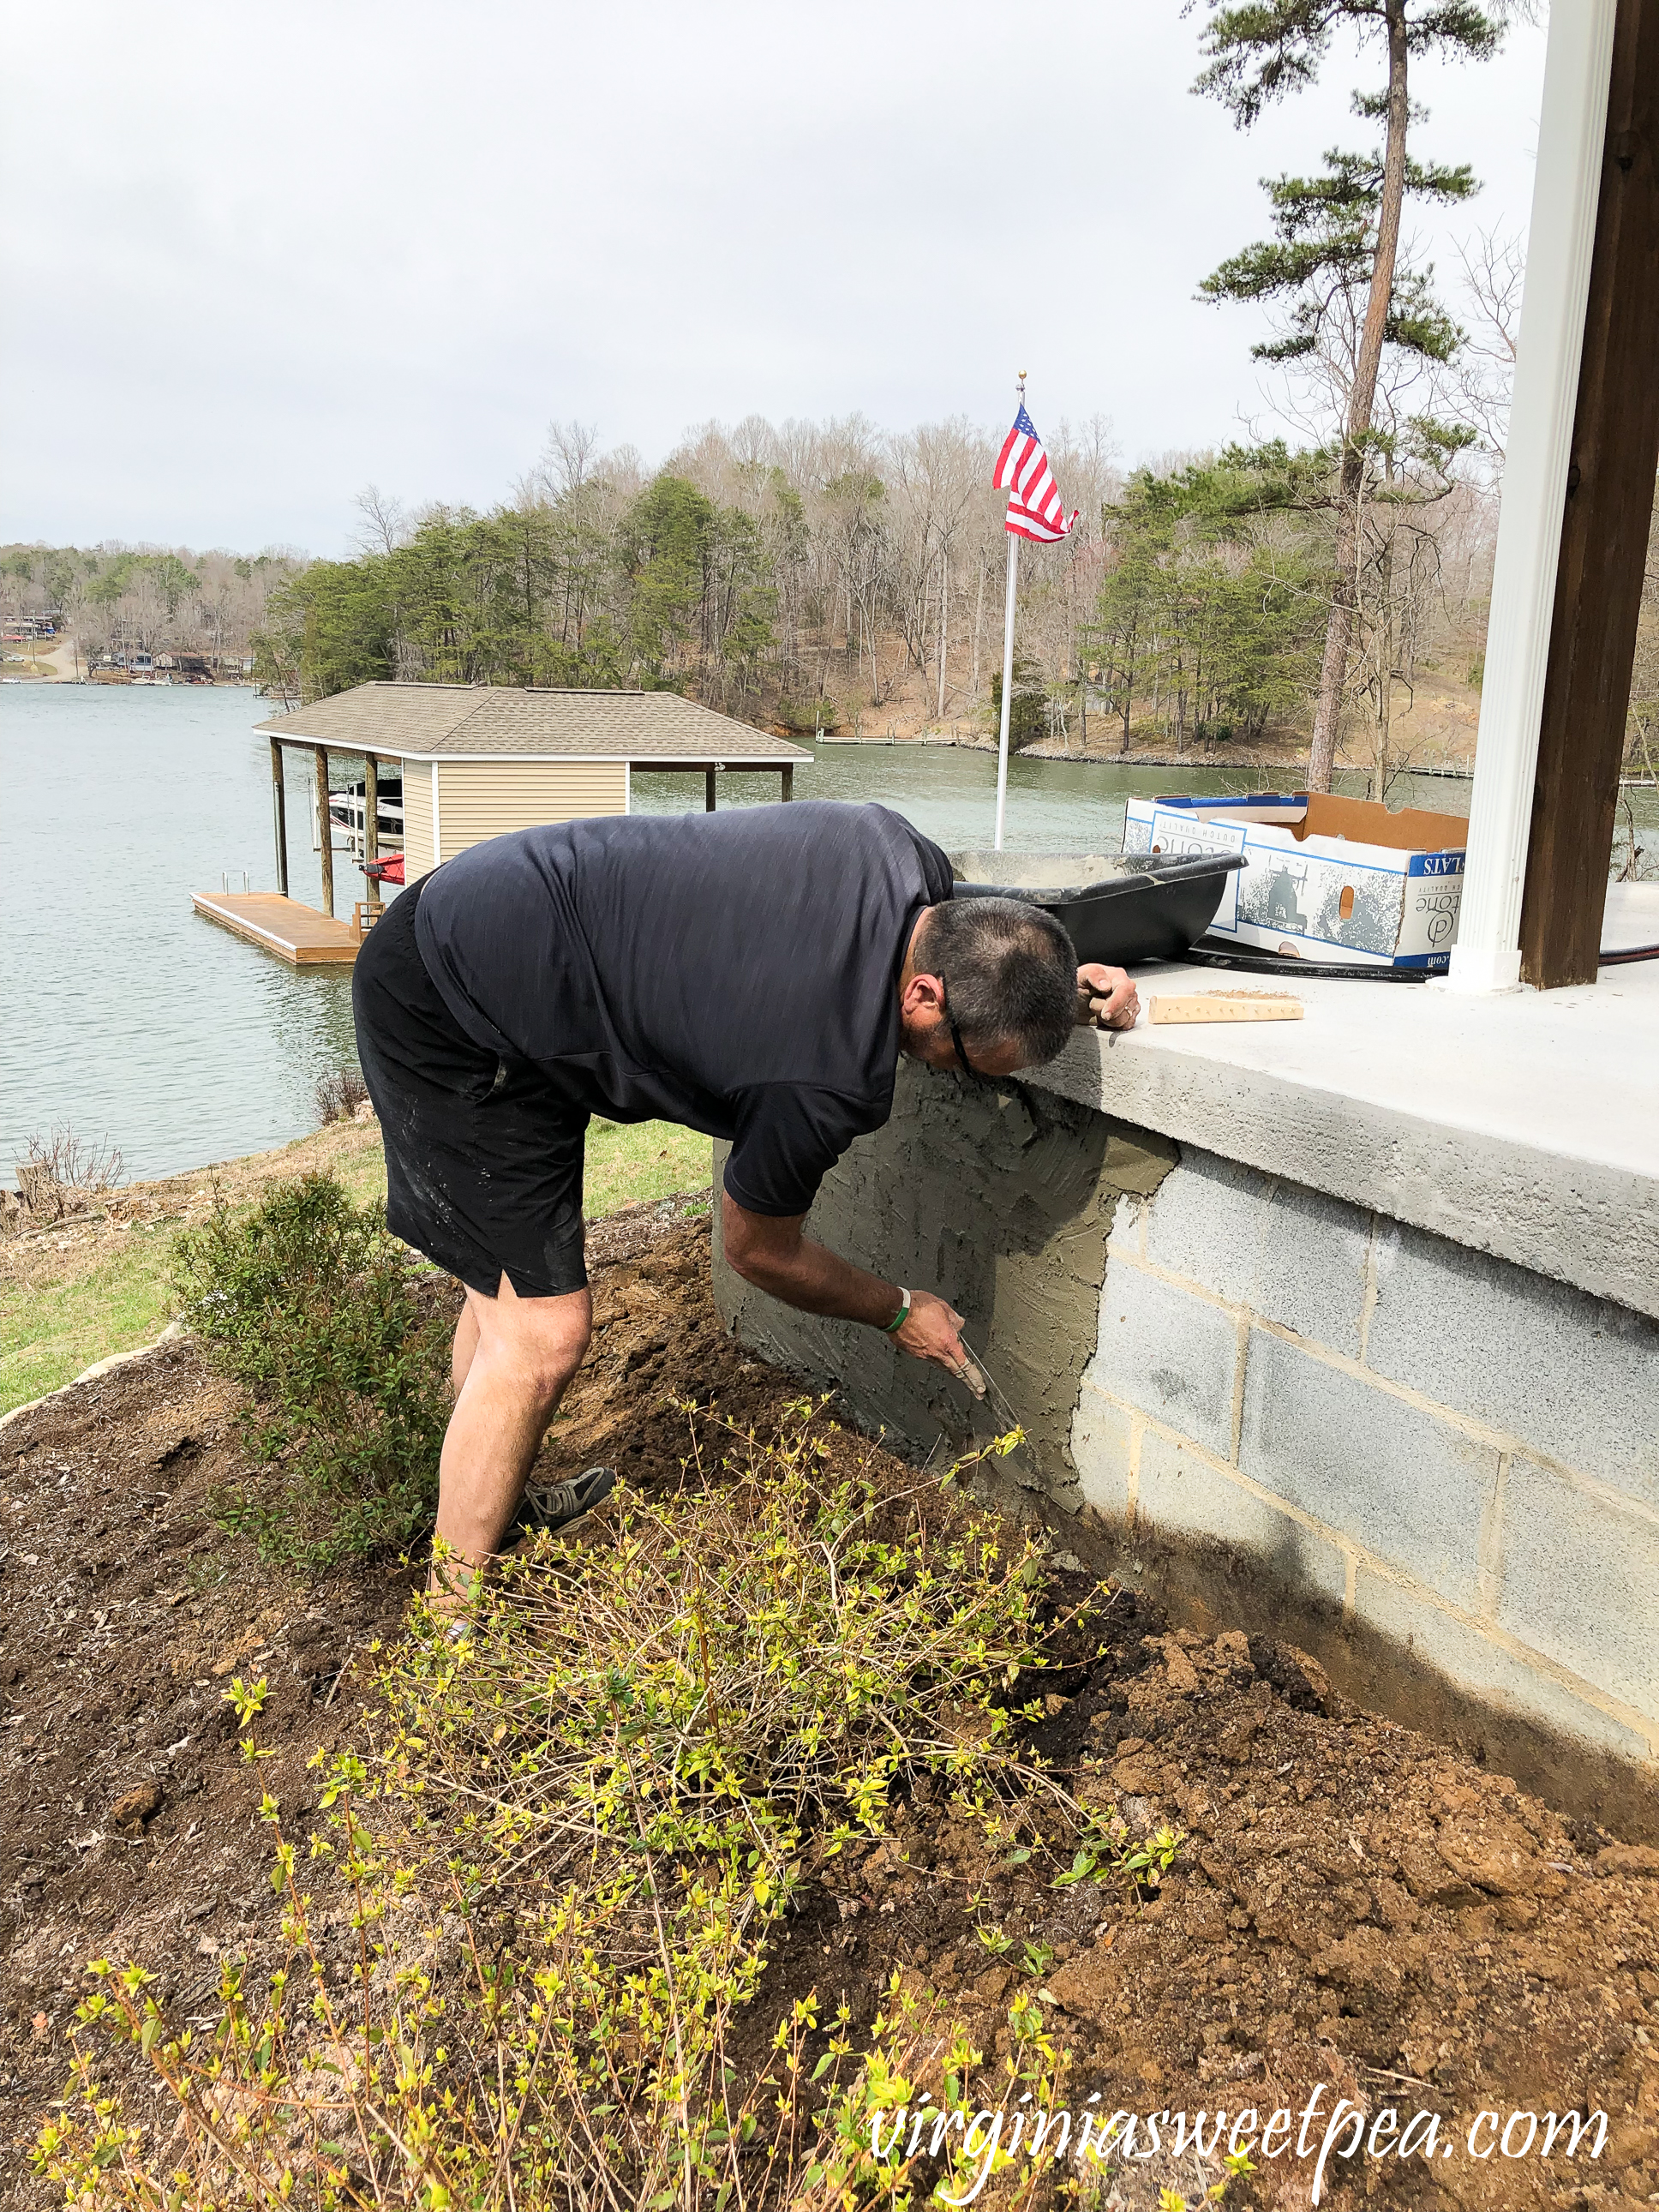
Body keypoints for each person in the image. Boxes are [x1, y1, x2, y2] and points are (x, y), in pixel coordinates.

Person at [352, 800, 1139, 1601]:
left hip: (498, 928)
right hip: (451, 1009)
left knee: (503, 1284)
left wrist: (1054, 987)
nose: (962, 1078)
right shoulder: (821, 1068)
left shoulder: (901, 853)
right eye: (971, 1064)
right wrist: (899, 1310)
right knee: (544, 1332)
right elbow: (756, 1249)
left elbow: (988, 934)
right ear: (926, 998)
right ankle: (448, 1637)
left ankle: (489, 1495)